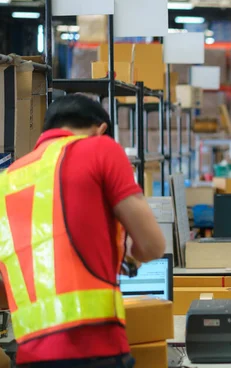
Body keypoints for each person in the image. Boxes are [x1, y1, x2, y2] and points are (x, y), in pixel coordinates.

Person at [0, 94, 166, 367]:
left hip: (29, 356)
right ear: (101, 130)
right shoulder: (100, 149)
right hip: (96, 349)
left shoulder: (8, 180)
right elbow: (152, 245)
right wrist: (130, 253)